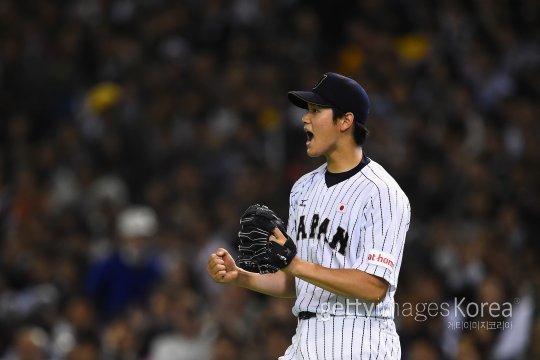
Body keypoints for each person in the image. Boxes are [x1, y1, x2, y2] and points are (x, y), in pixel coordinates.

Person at [207, 72, 410, 359]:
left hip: (359, 339)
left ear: (345, 121)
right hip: (305, 338)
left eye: (316, 111)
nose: (305, 118)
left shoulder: (381, 192)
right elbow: (295, 280)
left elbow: (374, 286)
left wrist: (297, 265)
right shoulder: (303, 188)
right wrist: (241, 277)